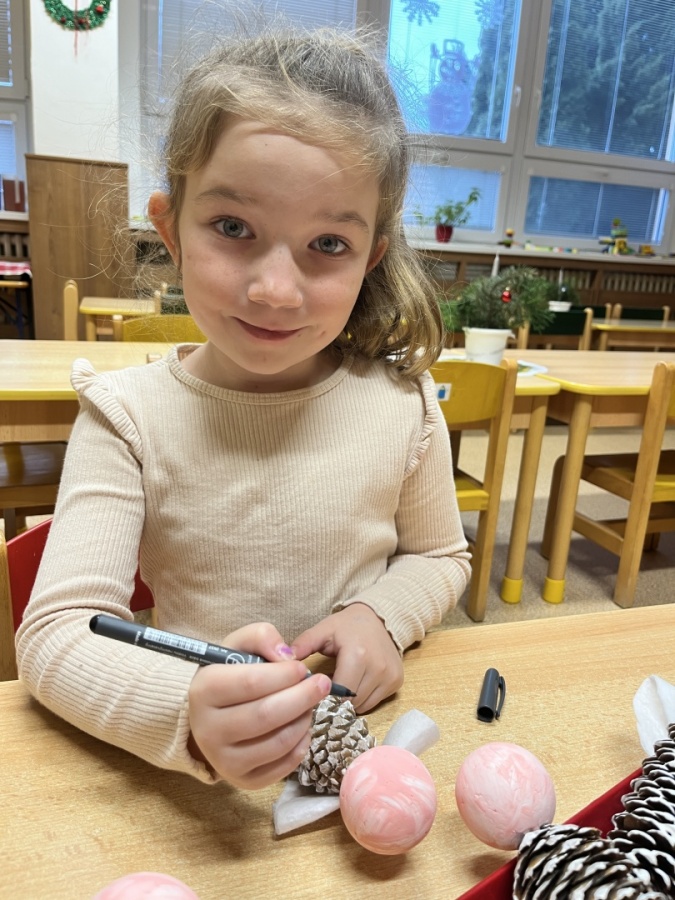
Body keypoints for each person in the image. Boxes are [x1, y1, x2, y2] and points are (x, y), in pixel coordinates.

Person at [16, 25, 471, 790]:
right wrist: (182, 710)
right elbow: (57, 634)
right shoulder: (124, 417)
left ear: (370, 258)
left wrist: (382, 616)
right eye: (233, 228)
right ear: (170, 229)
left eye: (328, 244)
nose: (275, 290)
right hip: (197, 791)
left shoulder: (403, 403)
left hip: (360, 753)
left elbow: (438, 555)